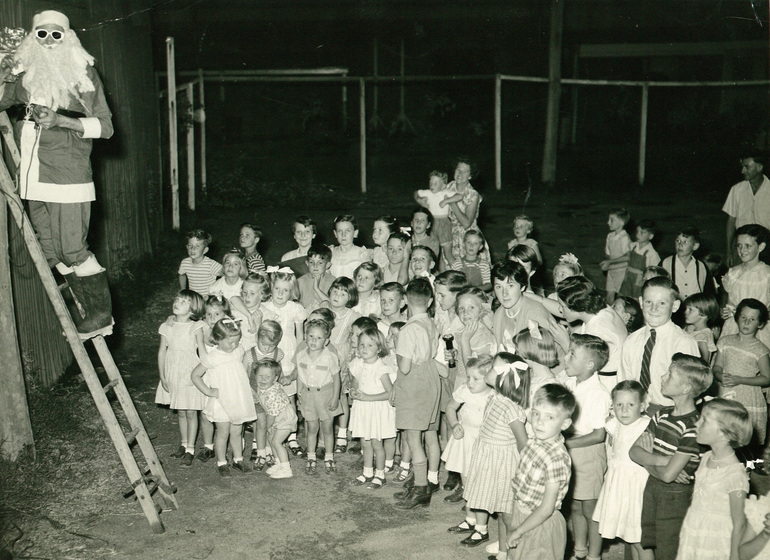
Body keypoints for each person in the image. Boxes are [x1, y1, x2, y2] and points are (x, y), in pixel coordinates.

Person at [0, 10, 114, 335]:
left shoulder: (83, 72)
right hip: (33, 174)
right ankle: (89, 316)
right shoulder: (24, 74)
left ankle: (101, 315)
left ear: (68, 38)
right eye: (42, 34)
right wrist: (3, 73)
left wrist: (62, 121)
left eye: (56, 35)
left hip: (68, 173)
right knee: (51, 249)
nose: (49, 42)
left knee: (72, 249)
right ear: (32, 38)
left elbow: (106, 127)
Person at [629, 353, 713, 560]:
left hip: (675, 496)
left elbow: (668, 476)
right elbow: (633, 452)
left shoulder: (694, 425)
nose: (663, 376)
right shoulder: (661, 414)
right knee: (647, 539)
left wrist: (648, 460)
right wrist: (665, 460)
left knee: (669, 550)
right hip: (652, 489)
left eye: (670, 374)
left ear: (685, 389)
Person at [449, 354, 529, 551]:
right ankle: (503, 551)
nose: (489, 370)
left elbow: (523, 443)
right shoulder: (494, 397)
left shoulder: (511, 407)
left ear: (504, 377)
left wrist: (527, 471)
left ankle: (520, 549)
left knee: (508, 513)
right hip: (488, 457)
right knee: (501, 512)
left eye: (493, 367)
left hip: (502, 463)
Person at [505, 384, 576, 560]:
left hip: (541, 524)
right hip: (522, 514)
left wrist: (518, 531)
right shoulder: (534, 442)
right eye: (536, 413)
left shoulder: (557, 458)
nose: (539, 421)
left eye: (549, 417)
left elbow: (546, 508)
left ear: (565, 423)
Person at [676, 398, 752, 560]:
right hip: (695, 531)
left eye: (704, 420)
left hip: (716, 541)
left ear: (723, 433)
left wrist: (734, 556)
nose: (697, 424)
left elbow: (739, 523)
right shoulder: (707, 457)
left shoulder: (735, 475)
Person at [390, 278, 441, 509]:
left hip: (414, 383)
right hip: (431, 378)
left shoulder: (408, 330)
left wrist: (396, 351)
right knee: (428, 433)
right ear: (430, 301)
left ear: (405, 301)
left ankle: (421, 488)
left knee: (413, 439)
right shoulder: (431, 323)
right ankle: (426, 480)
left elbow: (404, 368)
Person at [562, 334, 612, 560]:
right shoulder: (569, 383)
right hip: (571, 451)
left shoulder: (598, 393)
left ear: (590, 365)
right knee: (574, 506)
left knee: (591, 510)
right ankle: (579, 550)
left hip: (588, 454)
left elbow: (599, 434)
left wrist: (565, 442)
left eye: (572, 354)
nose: (566, 357)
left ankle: (594, 555)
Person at [618, 277, 699, 412]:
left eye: (662, 303)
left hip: (670, 413)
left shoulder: (683, 343)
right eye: (648, 302)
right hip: (634, 412)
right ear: (641, 303)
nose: (653, 309)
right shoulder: (631, 341)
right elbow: (624, 381)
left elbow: (689, 391)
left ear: (675, 306)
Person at [191, 318, 258, 476]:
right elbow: (195, 375)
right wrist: (208, 391)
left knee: (237, 431)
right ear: (218, 339)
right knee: (223, 432)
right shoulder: (212, 357)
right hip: (221, 400)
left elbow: (240, 374)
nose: (233, 345)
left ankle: (238, 460)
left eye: (236, 341)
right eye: (230, 342)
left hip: (237, 398)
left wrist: (249, 389)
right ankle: (221, 462)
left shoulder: (238, 351)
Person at [592, 381, 651, 560]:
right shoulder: (614, 424)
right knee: (629, 536)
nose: (624, 410)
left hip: (636, 486)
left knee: (639, 537)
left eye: (630, 405)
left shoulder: (646, 425)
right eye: (619, 405)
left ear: (642, 406)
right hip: (617, 484)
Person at [154, 290, 207, 466]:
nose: (177, 302)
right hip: (173, 371)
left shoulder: (197, 326)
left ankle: (191, 448)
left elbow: (203, 352)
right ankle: (183, 445)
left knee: (191, 411)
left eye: (183, 302)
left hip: (189, 371)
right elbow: (162, 351)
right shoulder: (167, 326)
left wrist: (203, 372)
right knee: (181, 411)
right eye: (177, 299)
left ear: (193, 309)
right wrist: (162, 375)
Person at [713, 299, 770, 447]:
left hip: (748, 398)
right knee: (723, 436)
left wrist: (740, 379)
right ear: (736, 317)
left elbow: (766, 379)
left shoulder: (760, 349)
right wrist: (719, 376)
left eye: (752, 319)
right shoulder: (725, 341)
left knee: (744, 441)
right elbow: (717, 367)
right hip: (727, 392)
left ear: (760, 324)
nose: (746, 322)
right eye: (743, 318)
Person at [557, 275, 629, 390]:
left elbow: (582, 364)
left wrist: (563, 341)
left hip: (603, 383)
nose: (560, 310)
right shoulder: (601, 309)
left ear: (579, 308)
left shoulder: (597, 330)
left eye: (563, 307)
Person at [440, 356, 494, 504]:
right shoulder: (465, 390)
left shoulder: (494, 396)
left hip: (484, 439)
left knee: (483, 472)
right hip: (466, 436)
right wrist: (455, 424)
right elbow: (450, 407)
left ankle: (480, 500)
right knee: (465, 469)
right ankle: (467, 496)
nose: (470, 382)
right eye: (468, 377)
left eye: (476, 379)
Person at [348, 327, 396, 490]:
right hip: (362, 409)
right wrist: (353, 390)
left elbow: (390, 393)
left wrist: (369, 398)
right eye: (362, 345)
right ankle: (367, 472)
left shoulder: (381, 368)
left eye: (370, 345)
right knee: (365, 443)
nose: (364, 349)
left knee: (376, 444)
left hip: (376, 410)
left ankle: (380, 474)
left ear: (379, 348)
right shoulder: (357, 364)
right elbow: (355, 381)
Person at [492, 261, 570, 355]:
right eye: (499, 287)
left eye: (510, 286)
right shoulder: (499, 313)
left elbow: (542, 358)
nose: (504, 293)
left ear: (522, 287)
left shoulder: (535, 314)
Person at [296, 319, 342, 475]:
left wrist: (335, 397)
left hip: (326, 395)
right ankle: (311, 457)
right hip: (308, 396)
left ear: (326, 340)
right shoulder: (301, 355)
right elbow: (300, 377)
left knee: (327, 428)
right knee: (311, 428)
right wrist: (299, 394)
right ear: (305, 337)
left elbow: (336, 378)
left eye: (319, 338)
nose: (313, 340)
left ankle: (329, 457)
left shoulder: (330, 356)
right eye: (310, 336)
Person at [720, 224, 770, 349]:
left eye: (748, 246)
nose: (742, 251)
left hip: (760, 330)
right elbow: (729, 304)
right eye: (739, 246)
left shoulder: (767, 275)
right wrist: (725, 312)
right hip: (734, 328)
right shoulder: (733, 273)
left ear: (761, 247)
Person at [244, 320, 284, 468]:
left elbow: (278, 370)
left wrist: (282, 379)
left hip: (272, 396)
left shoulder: (277, 353)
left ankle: (269, 451)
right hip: (255, 394)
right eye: (264, 344)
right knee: (261, 424)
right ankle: (260, 453)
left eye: (271, 345)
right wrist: (250, 392)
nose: (267, 349)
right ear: (257, 339)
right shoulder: (249, 355)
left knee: (270, 425)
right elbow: (243, 376)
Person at [252, 358, 297, 479]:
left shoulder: (272, 394)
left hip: (284, 419)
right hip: (278, 417)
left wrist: (268, 427)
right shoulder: (265, 387)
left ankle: (286, 469)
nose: (263, 379)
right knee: (272, 441)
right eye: (260, 376)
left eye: (267, 377)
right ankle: (278, 464)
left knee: (277, 442)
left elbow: (271, 415)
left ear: (275, 379)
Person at [723, 153, 770, 266]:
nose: (742, 171)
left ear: (759, 167)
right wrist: (729, 251)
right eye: (742, 167)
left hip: (766, 244)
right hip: (742, 244)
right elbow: (731, 221)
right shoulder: (737, 190)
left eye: (747, 167)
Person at [445, 157, 492, 270]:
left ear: (470, 176)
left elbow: (466, 223)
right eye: (458, 170)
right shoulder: (448, 187)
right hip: (449, 236)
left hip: (467, 237)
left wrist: (452, 203)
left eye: (464, 171)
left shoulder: (472, 194)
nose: (460, 174)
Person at [659, 226, 714, 300]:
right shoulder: (665, 263)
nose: (680, 245)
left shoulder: (702, 266)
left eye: (685, 242)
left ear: (695, 246)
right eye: (678, 241)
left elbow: (709, 292)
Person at [512, 322, 559, 405]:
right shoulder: (530, 375)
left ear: (530, 351)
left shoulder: (549, 388)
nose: (515, 354)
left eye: (518, 351)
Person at [414, 171, 455, 266]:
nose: (432, 185)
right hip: (432, 224)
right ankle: (440, 275)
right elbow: (416, 192)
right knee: (435, 254)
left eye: (436, 183)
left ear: (443, 186)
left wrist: (447, 201)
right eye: (431, 182)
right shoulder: (428, 193)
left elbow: (459, 196)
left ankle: (459, 274)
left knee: (448, 254)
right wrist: (419, 200)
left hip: (444, 223)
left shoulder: (445, 193)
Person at [230, 273, 272, 350]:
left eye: (252, 293)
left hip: (255, 354)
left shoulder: (267, 315)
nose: (247, 296)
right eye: (245, 292)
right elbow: (233, 299)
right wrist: (249, 316)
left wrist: (258, 325)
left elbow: (264, 344)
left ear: (262, 295)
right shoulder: (237, 309)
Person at [619, 220, 660, 299]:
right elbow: (626, 261)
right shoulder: (632, 246)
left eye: (643, 232)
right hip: (627, 279)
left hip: (639, 283)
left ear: (650, 236)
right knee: (623, 299)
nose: (638, 234)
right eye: (637, 231)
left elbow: (654, 274)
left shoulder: (652, 254)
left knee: (636, 302)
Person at [599, 208, 632, 304]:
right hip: (612, 271)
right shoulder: (610, 236)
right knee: (609, 296)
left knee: (621, 298)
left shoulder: (624, 238)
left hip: (622, 272)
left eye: (612, 220)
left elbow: (628, 257)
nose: (608, 222)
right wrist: (606, 262)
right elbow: (608, 254)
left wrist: (610, 262)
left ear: (621, 222)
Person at [178, 229, 222, 297]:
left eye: (197, 246)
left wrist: (217, 290)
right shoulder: (185, 263)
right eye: (190, 245)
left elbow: (225, 273)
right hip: (194, 299)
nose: (193, 248)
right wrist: (183, 289)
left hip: (208, 299)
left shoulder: (210, 264)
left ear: (205, 250)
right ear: (187, 247)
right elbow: (182, 274)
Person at [682, 293, 720, 364]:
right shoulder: (691, 329)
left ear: (703, 314)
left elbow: (704, 360)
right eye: (686, 308)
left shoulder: (702, 335)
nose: (685, 312)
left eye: (690, 309)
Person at [330, 215, 370, 279]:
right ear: (335, 233)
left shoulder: (362, 253)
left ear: (355, 233)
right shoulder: (330, 252)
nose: (343, 235)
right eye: (340, 231)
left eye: (348, 231)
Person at [297, 244, 335, 310]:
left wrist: (317, 289)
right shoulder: (300, 281)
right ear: (307, 263)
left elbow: (335, 305)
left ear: (327, 265)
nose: (315, 266)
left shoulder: (333, 281)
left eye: (320, 263)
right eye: (311, 262)